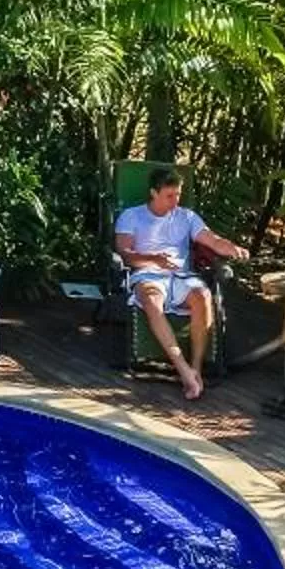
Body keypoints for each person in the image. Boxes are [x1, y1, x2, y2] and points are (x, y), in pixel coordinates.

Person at [113, 166, 248, 400]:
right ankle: (182, 369)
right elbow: (125, 254)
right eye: (169, 196)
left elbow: (213, 240)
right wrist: (153, 259)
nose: (175, 201)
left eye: (178, 195)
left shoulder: (187, 217)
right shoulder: (131, 216)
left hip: (181, 277)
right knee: (152, 300)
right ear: (154, 193)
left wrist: (233, 248)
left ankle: (195, 368)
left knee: (204, 296)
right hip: (148, 275)